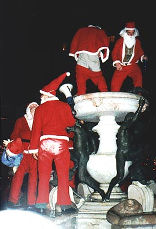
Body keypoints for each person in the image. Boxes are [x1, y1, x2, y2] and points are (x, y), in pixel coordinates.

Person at [28, 72, 77, 216]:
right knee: (63, 175)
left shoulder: (40, 109)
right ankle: (65, 205)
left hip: (45, 145)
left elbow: (36, 130)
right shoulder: (63, 106)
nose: (41, 98)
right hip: (61, 145)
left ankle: (42, 205)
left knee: (43, 176)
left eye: (42, 95)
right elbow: (71, 123)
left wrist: (34, 150)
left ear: (47, 95)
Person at [4, 102, 39, 209]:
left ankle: (31, 202)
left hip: (35, 154)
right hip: (22, 154)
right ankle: (12, 200)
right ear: (28, 109)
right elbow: (14, 135)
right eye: (32, 107)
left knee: (34, 178)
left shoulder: (40, 121)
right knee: (18, 176)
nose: (34, 109)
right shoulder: (20, 120)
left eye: (36, 107)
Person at [69, 25, 110, 95]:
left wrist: (74, 53)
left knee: (80, 78)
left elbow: (75, 42)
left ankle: (81, 93)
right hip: (93, 59)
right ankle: (105, 93)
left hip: (82, 60)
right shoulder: (99, 32)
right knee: (98, 77)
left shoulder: (81, 31)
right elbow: (104, 43)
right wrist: (102, 53)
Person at [111, 21, 148, 92]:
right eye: (129, 32)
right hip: (122, 66)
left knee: (138, 77)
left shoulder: (137, 41)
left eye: (132, 32)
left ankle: (138, 96)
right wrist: (117, 63)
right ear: (125, 31)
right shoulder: (120, 41)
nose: (131, 34)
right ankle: (114, 97)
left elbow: (140, 51)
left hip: (133, 65)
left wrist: (143, 56)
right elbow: (114, 53)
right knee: (115, 84)